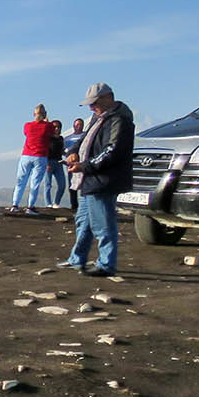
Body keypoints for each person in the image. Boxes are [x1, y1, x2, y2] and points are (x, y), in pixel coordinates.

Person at [62, 83, 134, 278]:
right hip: (90, 178)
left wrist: (84, 166)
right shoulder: (98, 117)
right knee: (83, 221)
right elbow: (84, 140)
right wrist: (73, 152)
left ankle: (106, 264)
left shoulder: (119, 119)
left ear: (108, 98)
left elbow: (112, 151)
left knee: (102, 223)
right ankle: (78, 258)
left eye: (95, 103)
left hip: (103, 179)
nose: (91, 107)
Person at [10, 104, 54, 214]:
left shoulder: (27, 125)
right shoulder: (49, 126)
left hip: (26, 155)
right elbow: (52, 134)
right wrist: (47, 121)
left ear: (34, 114)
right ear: (45, 114)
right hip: (40, 156)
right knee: (35, 183)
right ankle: (30, 207)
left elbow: (26, 134)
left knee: (20, 181)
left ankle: (15, 205)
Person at [61, 119, 85, 217]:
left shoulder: (85, 136)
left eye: (80, 124)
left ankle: (84, 206)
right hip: (71, 163)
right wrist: (68, 156)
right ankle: (74, 205)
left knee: (84, 184)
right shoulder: (67, 139)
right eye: (76, 124)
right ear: (73, 126)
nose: (78, 126)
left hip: (83, 162)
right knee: (72, 184)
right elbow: (62, 150)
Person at [44, 122, 67, 208]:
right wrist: (46, 163)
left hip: (59, 162)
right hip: (49, 162)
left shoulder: (61, 139)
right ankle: (48, 203)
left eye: (58, 127)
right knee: (48, 184)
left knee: (62, 184)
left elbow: (61, 150)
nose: (57, 129)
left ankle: (56, 202)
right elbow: (45, 151)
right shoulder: (48, 139)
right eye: (55, 127)